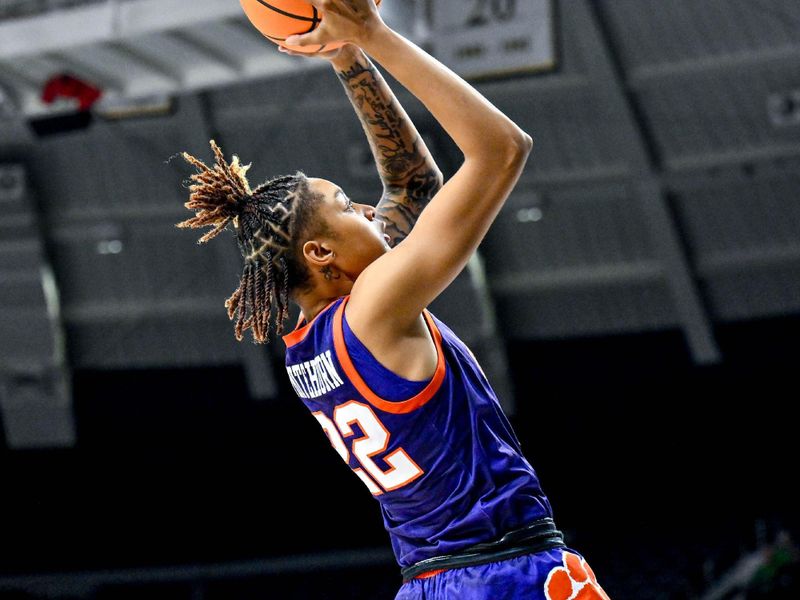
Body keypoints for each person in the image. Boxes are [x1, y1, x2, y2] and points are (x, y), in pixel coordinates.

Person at [177, 1, 611, 598]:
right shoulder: (373, 306)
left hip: (430, 581)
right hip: (503, 572)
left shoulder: (313, 344)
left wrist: (348, 57)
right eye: (344, 204)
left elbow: (413, 187)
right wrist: (372, 34)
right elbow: (503, 148)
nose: (364, 207)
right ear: (321, 255)